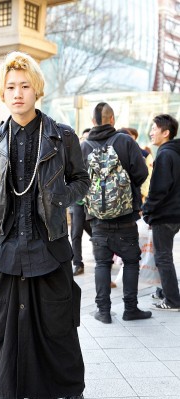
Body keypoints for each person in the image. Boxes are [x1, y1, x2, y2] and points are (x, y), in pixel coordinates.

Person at [0, 51, 91, 399]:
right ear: (2, 94)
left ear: (36, 90)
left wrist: (58, 198)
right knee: (6, 326)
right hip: (5, 245)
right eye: (11, 87)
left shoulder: (62, 135)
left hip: (49, 243)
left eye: (25, 85)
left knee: (58, 323)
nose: (18, 92)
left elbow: (82, 180)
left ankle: (72, 394)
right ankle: (8, 394)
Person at [81, 102, 151, 324]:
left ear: (93, 122)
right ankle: (130, 309)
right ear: (112, 119)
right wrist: (127, 192)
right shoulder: (125, 141)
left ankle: (103, 312)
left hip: (97, 219)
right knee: (131, 261)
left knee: (102, 264)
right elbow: (141, 173)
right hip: (126, 216)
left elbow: (78, 182)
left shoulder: (84, 147)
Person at [142, 114, 180, 311]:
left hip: (164, 214)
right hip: (174, 214)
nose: (151, 132)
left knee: (163, 257)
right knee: (165, 256)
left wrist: (147, 211)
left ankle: (173, 301)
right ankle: (167, 294)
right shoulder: (175, 152)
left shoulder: (165, 155)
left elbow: (159, 188)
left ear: (166, 133)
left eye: (154, 128)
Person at [70, 128, 92, 276]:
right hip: (78, 202)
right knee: (76, 232)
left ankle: (108, 255)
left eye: (87, 139)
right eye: (82, 138)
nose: (84, 141)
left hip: (92, 202)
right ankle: (77, 263)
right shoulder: (74, 156)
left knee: (95, 231)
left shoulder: (95, 156)